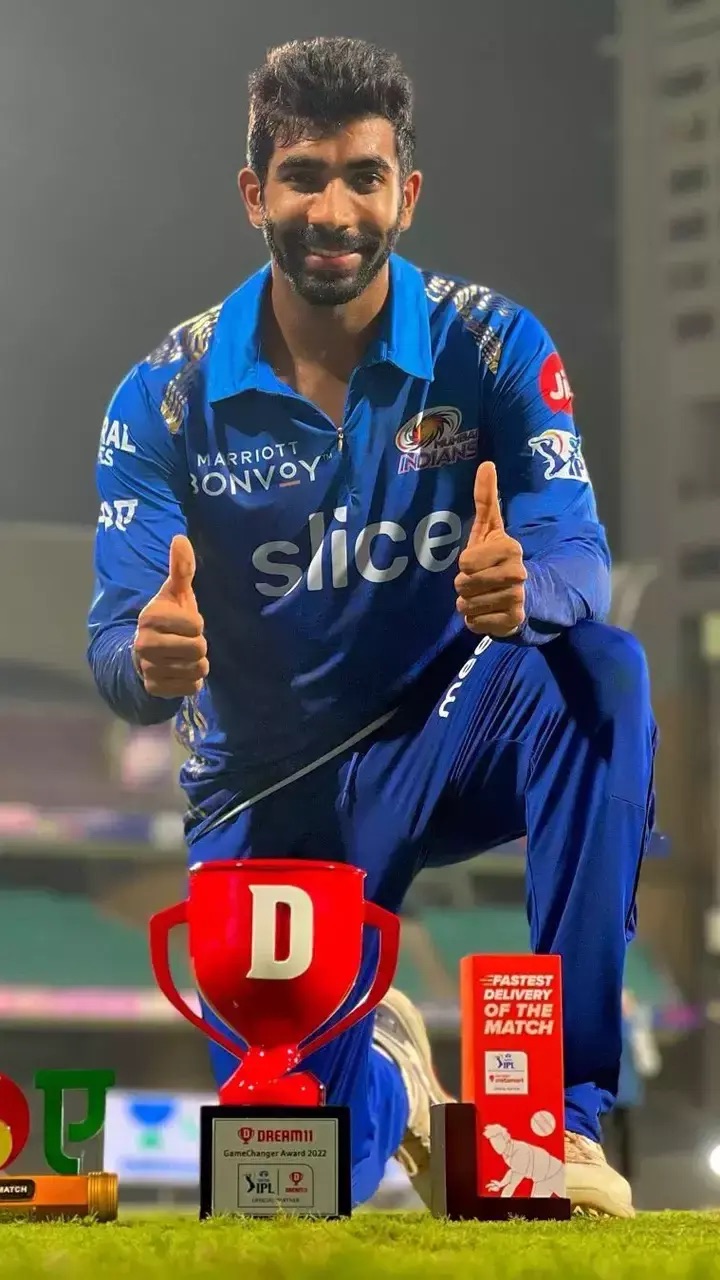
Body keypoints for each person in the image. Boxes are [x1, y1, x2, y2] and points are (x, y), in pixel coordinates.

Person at [87, 36, 657, 1219]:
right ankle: (388, 1079)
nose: (335, 211)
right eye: (303, 176)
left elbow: (579, 556)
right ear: (255, 194)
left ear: (408, 192)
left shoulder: (491, 344)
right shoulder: (164, 397)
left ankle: (566, 1116)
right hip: (272, 795)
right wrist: (149, 657)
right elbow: (118, 644)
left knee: (603, 674)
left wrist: (529, 588)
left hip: (449, 732)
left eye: (364, 175)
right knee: (302, 1184)